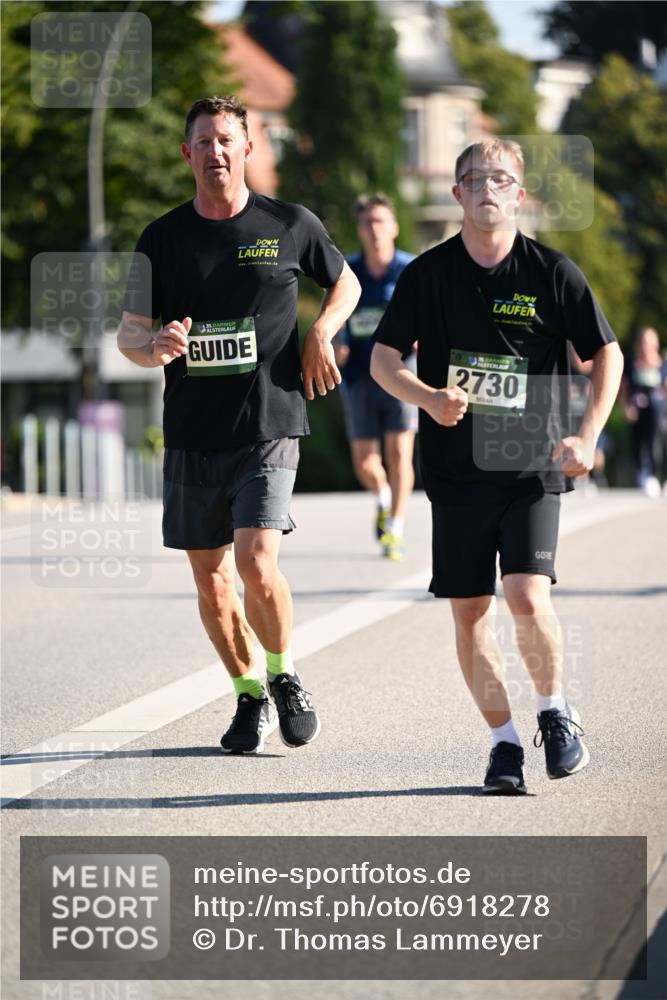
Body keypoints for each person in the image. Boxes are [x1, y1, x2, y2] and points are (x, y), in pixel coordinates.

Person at [371, 138, 624, 794]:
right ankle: (502, 744)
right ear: (456, 194)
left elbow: (608, 356)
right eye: (474, 178)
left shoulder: (551, 272)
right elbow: (382, 360)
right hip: (455, 473)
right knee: (469, 613)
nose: (487, 187)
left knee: (524, 594)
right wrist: (426, 398)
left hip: (530, 467)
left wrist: (587, 435)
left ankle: (554, 713)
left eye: (501, 178)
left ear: (518, 195)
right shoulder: (426, 275)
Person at [118, 95, 360, 754]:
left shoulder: (288, 223)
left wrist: (322, 333)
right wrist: (153, 348)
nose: (215, 151)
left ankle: (283, 676)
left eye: (226, 139)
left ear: (248, 148)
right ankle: (247, 693)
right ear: (186, 153)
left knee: (255, 561)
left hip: (269, 422)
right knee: (211, 580)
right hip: (193, 432)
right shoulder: (162, 238)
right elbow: (128, 336)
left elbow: (345, 285)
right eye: (203, 141)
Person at [334, 195, 417, 560]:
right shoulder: (347, 272)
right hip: (359, 376)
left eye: (381, 221)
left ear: (395, 227)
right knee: (365, 463)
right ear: (360, 230)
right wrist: (335, 344)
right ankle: (383, 496)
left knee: (400, 453)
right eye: (368, 223)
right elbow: (333, 316)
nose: (375, 229)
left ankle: (395, 529)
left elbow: (431, 316)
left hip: (401, 373)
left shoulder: (410, 271)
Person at [620, 326, 666, 497]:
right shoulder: (632, 363)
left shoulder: (662, 364)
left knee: (656, 441)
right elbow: (624, 388)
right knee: (637, 443)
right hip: (636, 411)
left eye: (649, 342)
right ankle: (643, 474)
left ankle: (655, 475)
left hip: (657, 412)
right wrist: (625, 406)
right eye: (643, 342)